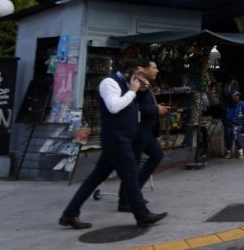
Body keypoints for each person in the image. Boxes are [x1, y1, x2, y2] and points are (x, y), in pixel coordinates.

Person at [60, 58, 166, 229]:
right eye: (138, 73)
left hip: (123, 138)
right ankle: (142, 214)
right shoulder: (109, 83)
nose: (141, 76)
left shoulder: (130, 85)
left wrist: (142, 90)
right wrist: (132, 91)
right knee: (131, 173)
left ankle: (69, 214)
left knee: (95, 179)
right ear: (127, 71)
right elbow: (114, 107)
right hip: (116, 138)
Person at [117, 59, 166, 211]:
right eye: (154, 67)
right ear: (144, 69)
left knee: (157, 155)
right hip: (138, 132)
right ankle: (125, 201)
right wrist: (155, 109)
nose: (157, 70)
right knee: (132, 166)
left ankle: (134, 192)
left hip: (147, 133)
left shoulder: (145, 85)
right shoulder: (137, 86)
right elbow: (137, 108)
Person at [222, 90, 244, 158]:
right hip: (229, 125)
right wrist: (230, 124)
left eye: (238, 95)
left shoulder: (243, 104)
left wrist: (240, 123)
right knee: (227, 131)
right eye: (234, 95)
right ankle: (228, 151)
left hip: (239, 125)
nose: (237, 97)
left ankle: (240, 151)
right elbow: (223, 118)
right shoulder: (226, 105)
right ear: (231, 97)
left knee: (235, 130)